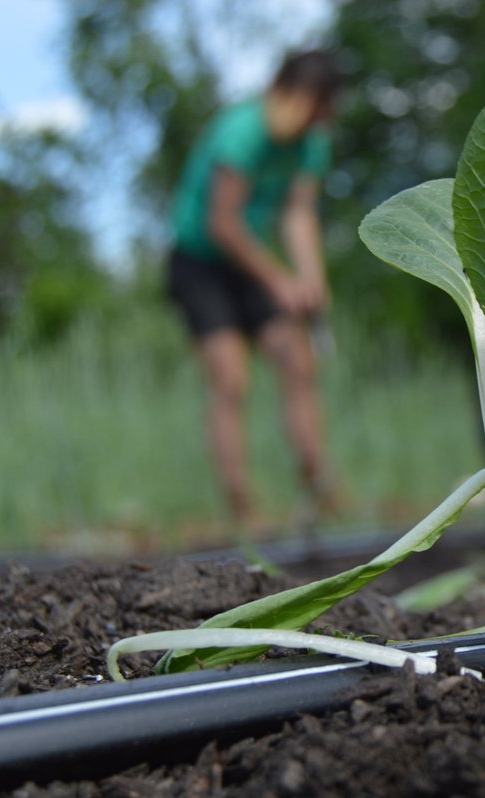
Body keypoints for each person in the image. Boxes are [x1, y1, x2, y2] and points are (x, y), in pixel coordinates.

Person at [166, 50, 342, 531]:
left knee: (297, 361)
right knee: (231, 378)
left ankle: (318, 485)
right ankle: (242, 507)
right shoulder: (241, 132)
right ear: (291, 95)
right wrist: (279, 279)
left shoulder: (312, 142)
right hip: (199, 261)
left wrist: (311, 276)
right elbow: (222, 224)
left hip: (250, 264)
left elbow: (298, 213)